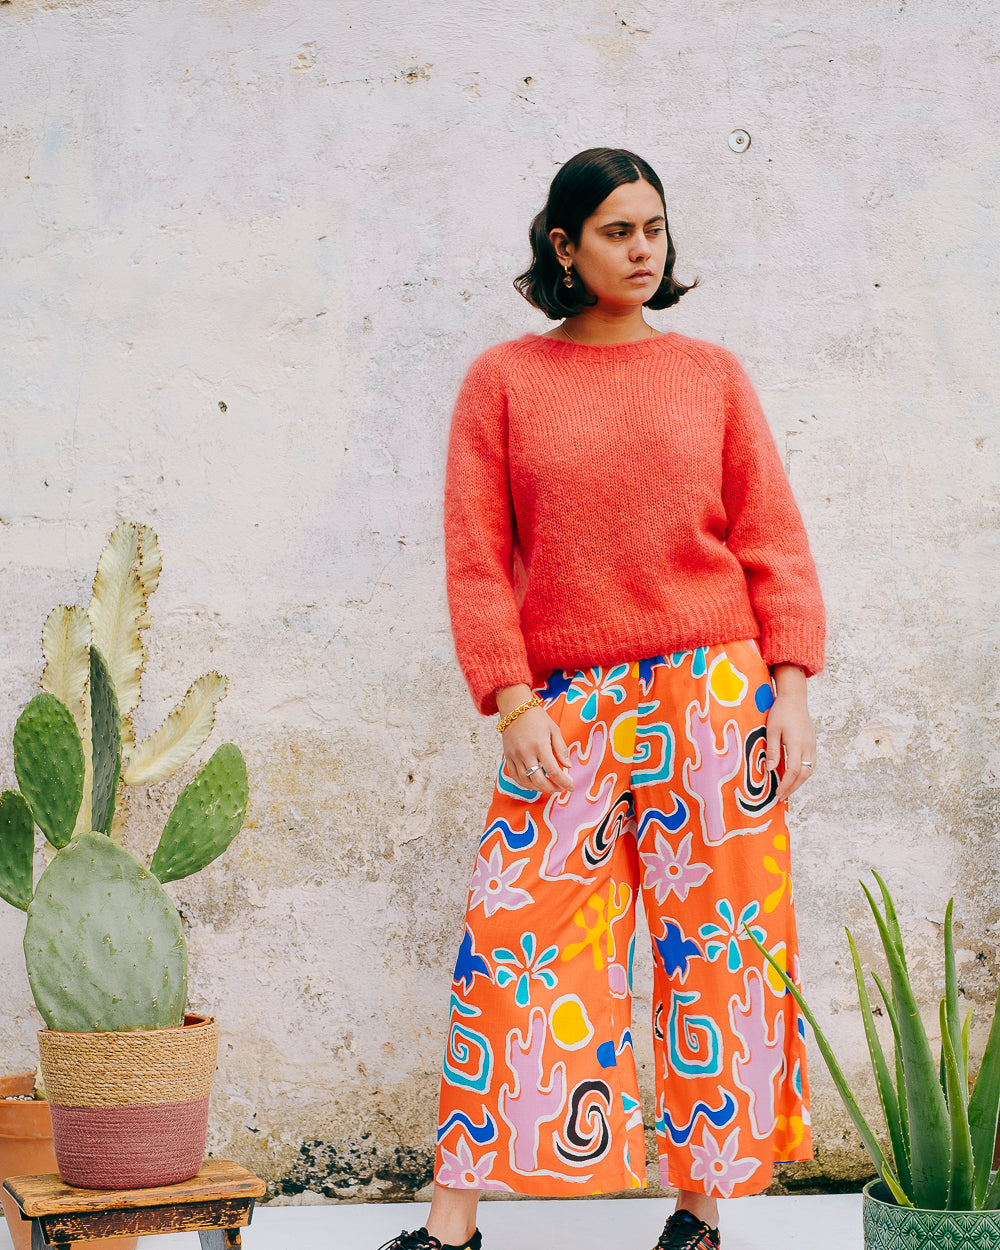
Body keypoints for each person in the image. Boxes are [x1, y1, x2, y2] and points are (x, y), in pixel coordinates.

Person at [380, 148, 824, 1250]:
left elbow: (772, 539)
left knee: (716, 950)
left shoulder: (712, 374)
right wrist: (510, 697)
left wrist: (790, 690)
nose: (641, 250)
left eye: (653, 229)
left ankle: (699, 1213)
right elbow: (476, 558)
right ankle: (450, 1225)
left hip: (715, 694)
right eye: (617, 231)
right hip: (568, 702)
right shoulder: (504, 380)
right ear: (563, 245)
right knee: (513, 940)